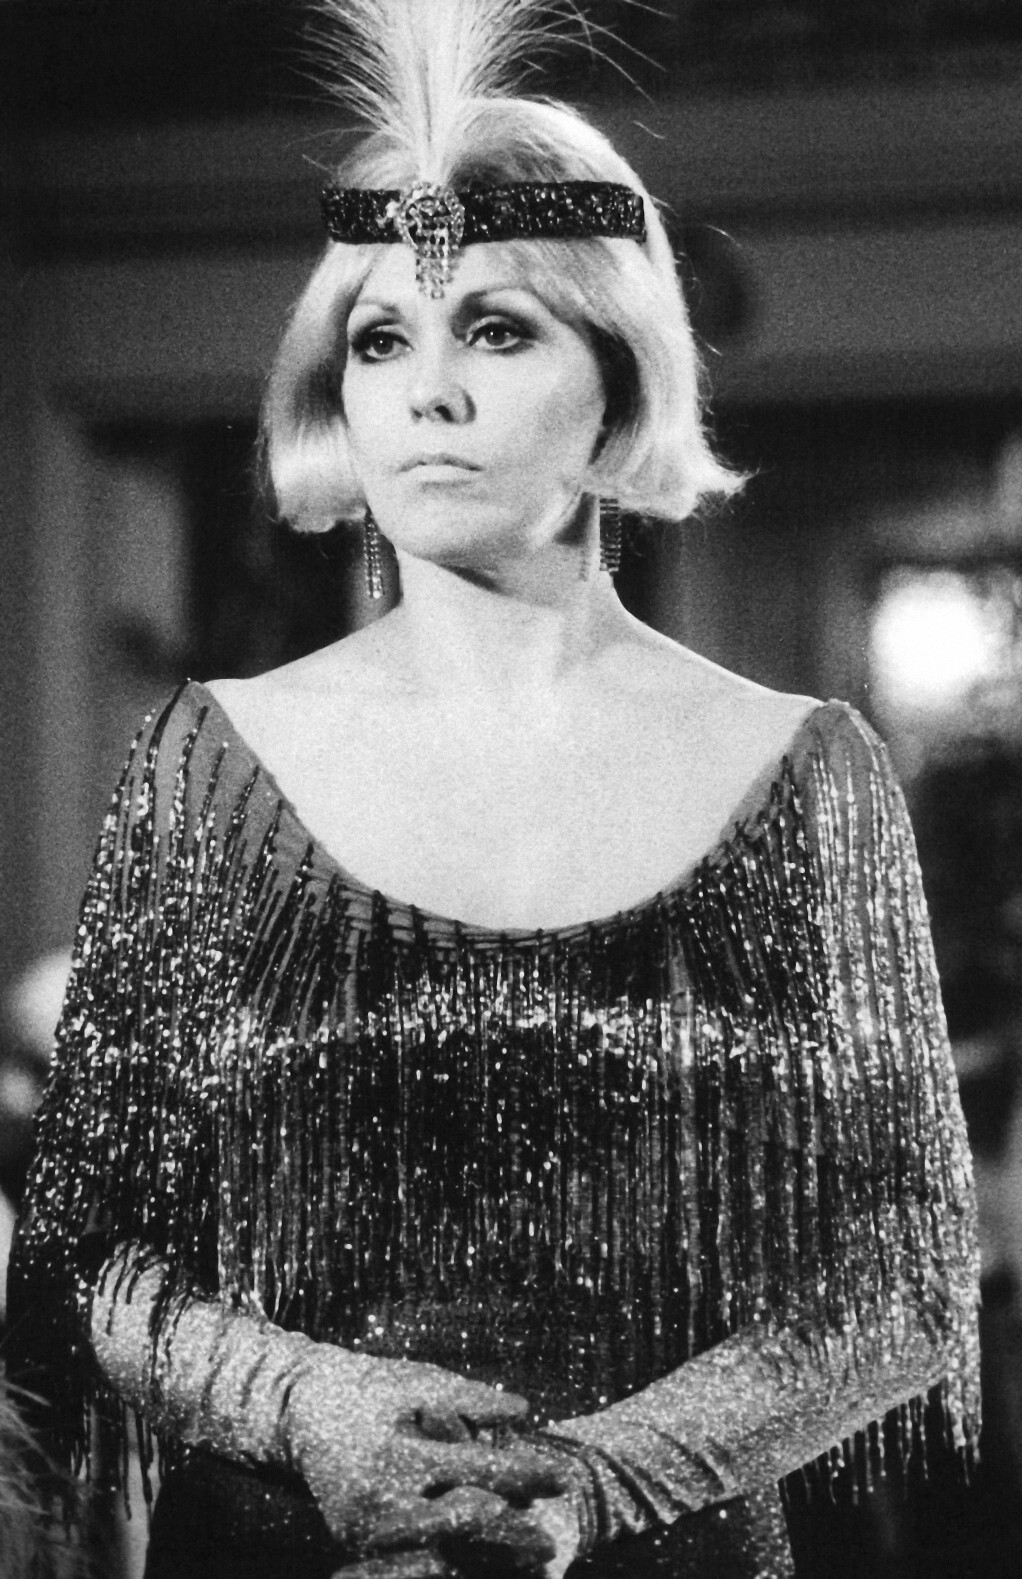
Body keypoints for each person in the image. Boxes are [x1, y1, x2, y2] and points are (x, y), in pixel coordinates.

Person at [7, 3, 980, 1576]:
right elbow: (85, 1256)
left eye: (500, 331)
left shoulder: (803, 773)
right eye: (380, 339)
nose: (427, 392)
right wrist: (304, 1404)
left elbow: (902, 1281)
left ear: (619, 380)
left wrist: (585, 1482)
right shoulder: (208, 763)